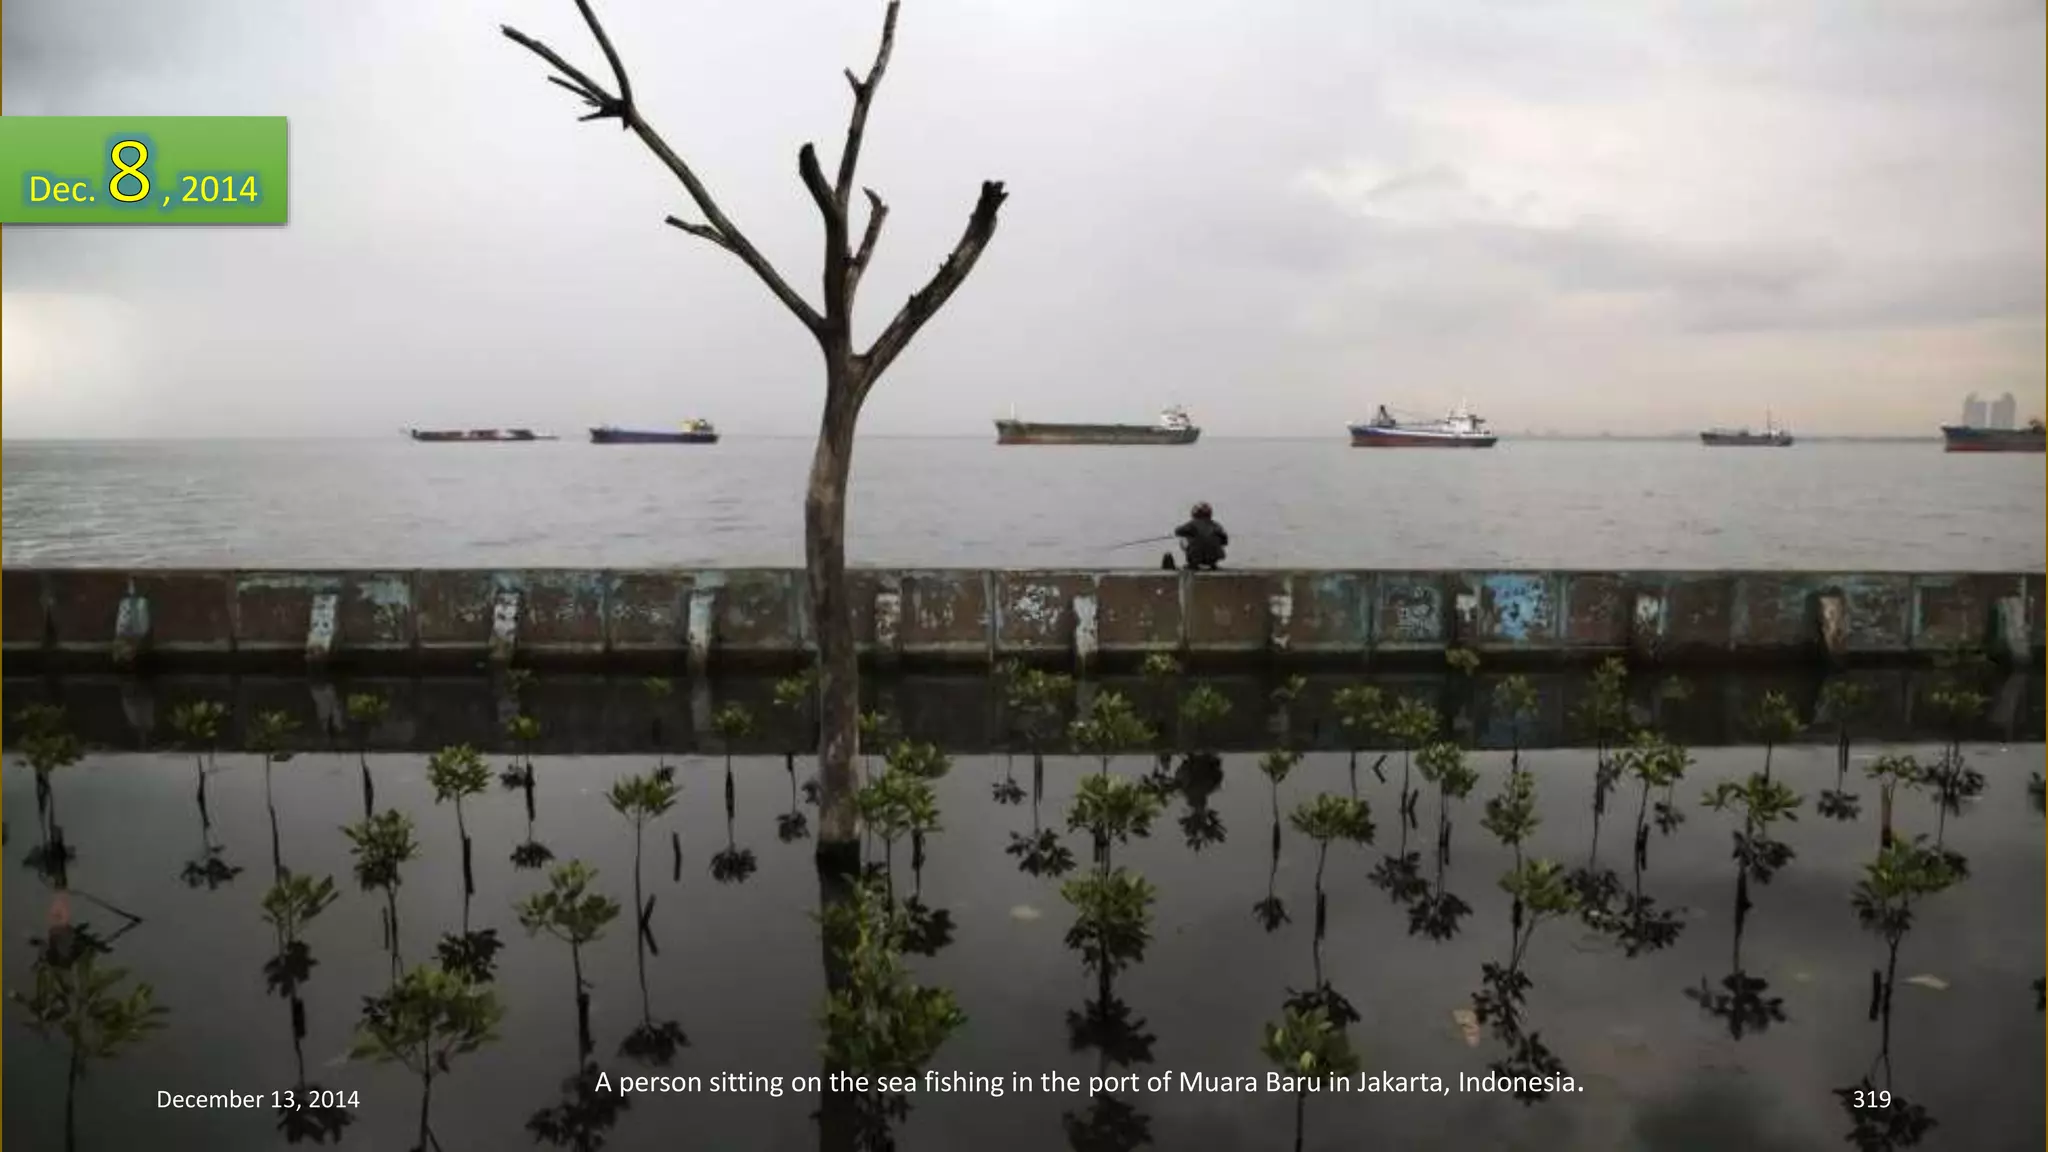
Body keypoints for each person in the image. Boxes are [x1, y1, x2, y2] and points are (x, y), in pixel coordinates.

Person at [1174, 501, 1229, 570]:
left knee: (1183, 539)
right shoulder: (1216, 525)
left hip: (1196, 556)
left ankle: (1193, 563)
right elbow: (1225, 541)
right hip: (1214, 557)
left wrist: (1190, 534)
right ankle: (1212, 564)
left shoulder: (1192, 524)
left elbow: (1178, 531)